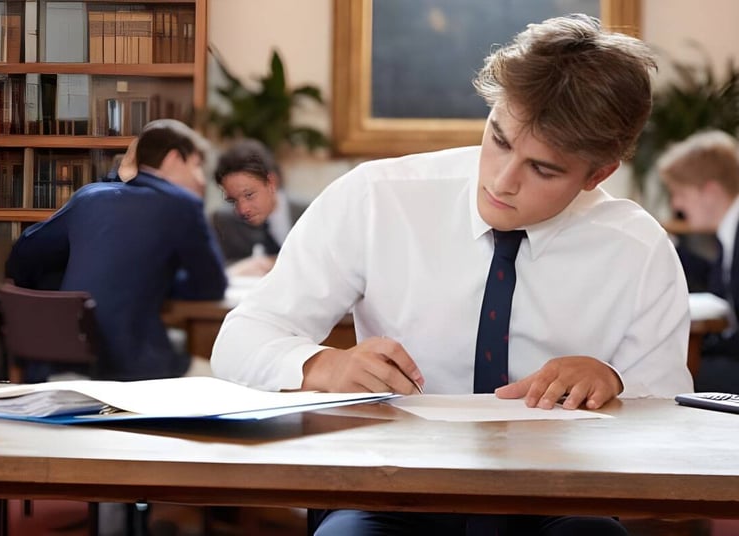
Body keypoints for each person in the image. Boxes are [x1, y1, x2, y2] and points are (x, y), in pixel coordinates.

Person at [212, 13, 693, 536]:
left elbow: (670, 413)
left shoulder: (639, 249)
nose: (502, 182)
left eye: (543, 169)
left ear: (596, 175)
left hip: (561, 496)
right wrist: (320, 366)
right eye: (500, 140)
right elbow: (239, 341)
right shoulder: (377, 197)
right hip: (392, 488)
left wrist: (615, 380)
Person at [6, 119, 227, 382]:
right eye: (196, 166)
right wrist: (163, 282)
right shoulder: (183, 205)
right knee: (226, 376)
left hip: (62, 363)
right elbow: (212, 286)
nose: (201, 180)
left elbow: (23, 256)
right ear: (173, 158)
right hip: (133, 366)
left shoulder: (89, 197)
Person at [657, 129, 739, 392]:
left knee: (669, 381)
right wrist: (669, 247)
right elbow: (718, 282)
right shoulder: (729, 234)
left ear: (710, 191)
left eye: (680, 193)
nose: (677, 206)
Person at [211, 139, 308, 275]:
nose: (242, 209)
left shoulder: (309, 212)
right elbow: (215, 271)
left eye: (249, 195)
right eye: (233, 200)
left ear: (272, 182)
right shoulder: (224, 221)